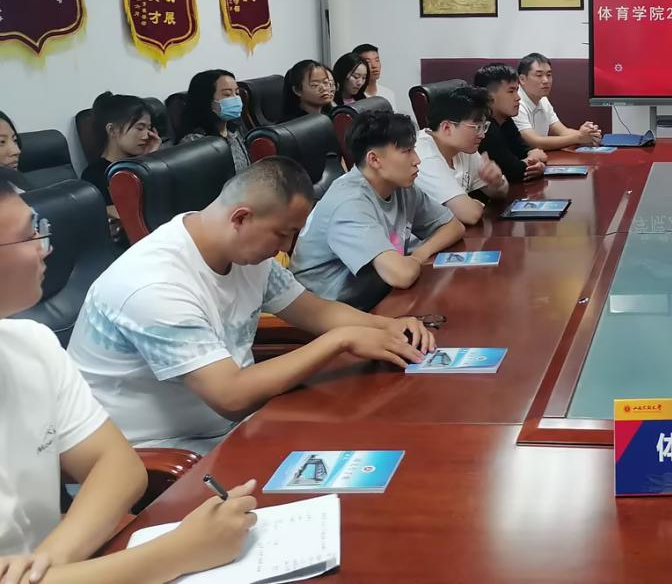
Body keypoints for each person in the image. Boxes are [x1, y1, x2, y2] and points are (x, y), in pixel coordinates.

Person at [67, 157, 433, 454]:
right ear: (241, 218)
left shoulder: (244, 254)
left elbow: (314, 310)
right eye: (283, 234)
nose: (285, 248)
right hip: (162, 455)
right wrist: (341, 340)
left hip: (238, 426)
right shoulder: (154, 286)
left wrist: (388, 326)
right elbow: (230, 396)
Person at [0, 180, 260, 584]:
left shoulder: (32, 344)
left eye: (39, 227)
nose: (44, 248)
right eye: (28, 235)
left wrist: (48, 561)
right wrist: (177, 553)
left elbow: (119, 466)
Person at [291, 111, 464, 309]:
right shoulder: (349, 203)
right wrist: (410, 262)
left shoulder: (400, 187)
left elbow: (454, 226)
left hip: (377, 296)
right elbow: (401, 275)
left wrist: (419, 255)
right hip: (329, 311)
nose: (417, 160)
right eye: (407, 151)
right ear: (374, 160)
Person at [416, 86, 508, 225]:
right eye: (477, 127)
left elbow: (500, 193)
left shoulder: (463, 148)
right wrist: (475, 205)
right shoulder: (423, 157)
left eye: (484, 126)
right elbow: (470, 215)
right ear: (447, 127)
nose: (482, 135)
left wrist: (497, 182)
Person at [80, 92, 161, 206]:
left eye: (148, 128)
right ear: (112, 130)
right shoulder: (94, 175)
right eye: (140, 128)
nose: (146, 136)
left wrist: (150, 159)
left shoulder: (140, 166)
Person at [473, 63, 546, 183]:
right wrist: (533, 162)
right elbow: (512, 171)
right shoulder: (484, 127)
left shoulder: (505, 119)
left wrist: (535, 162)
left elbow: (525, 150)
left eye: (517, 90)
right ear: (488, 96)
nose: (518, 97)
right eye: (511, 91)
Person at [515, 53, 602, 150]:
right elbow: (535, 142)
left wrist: (589, 135)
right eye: (539, 75)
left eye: (549, 75)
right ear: (522, 79)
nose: (546, 80)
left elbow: (563, 131)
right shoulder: (515, 102)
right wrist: (579, 137)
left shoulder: (543, 99)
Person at [177, 69, 249, 173]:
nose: (236, 99)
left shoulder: (233, 132)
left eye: (237, 93)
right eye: (227, 94)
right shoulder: (194, 142)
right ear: (206, 100)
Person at [353, 43, 396, 108]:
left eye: (377, 60)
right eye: (368, 62)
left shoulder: (388, 93)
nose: (374, 66)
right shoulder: (353, 95)